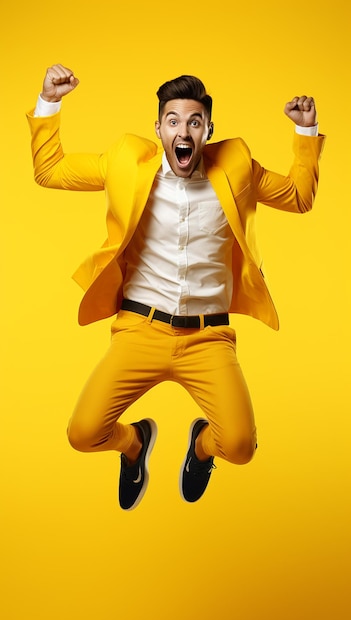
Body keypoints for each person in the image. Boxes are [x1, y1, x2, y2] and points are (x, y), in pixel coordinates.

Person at [27, 64, 325, 511]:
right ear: (158, 128)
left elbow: (299, 197)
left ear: (207, 130)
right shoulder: (127, 161)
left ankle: (200, 448)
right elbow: (49, 170)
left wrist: (306, 133)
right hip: (139, 332)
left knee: (240, 446)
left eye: (193, 122)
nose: (182, 130)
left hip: (208, 339)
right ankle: (134, 444)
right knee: (83, 434)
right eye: (172, 121)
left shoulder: (236, 166)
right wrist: (50, 100)